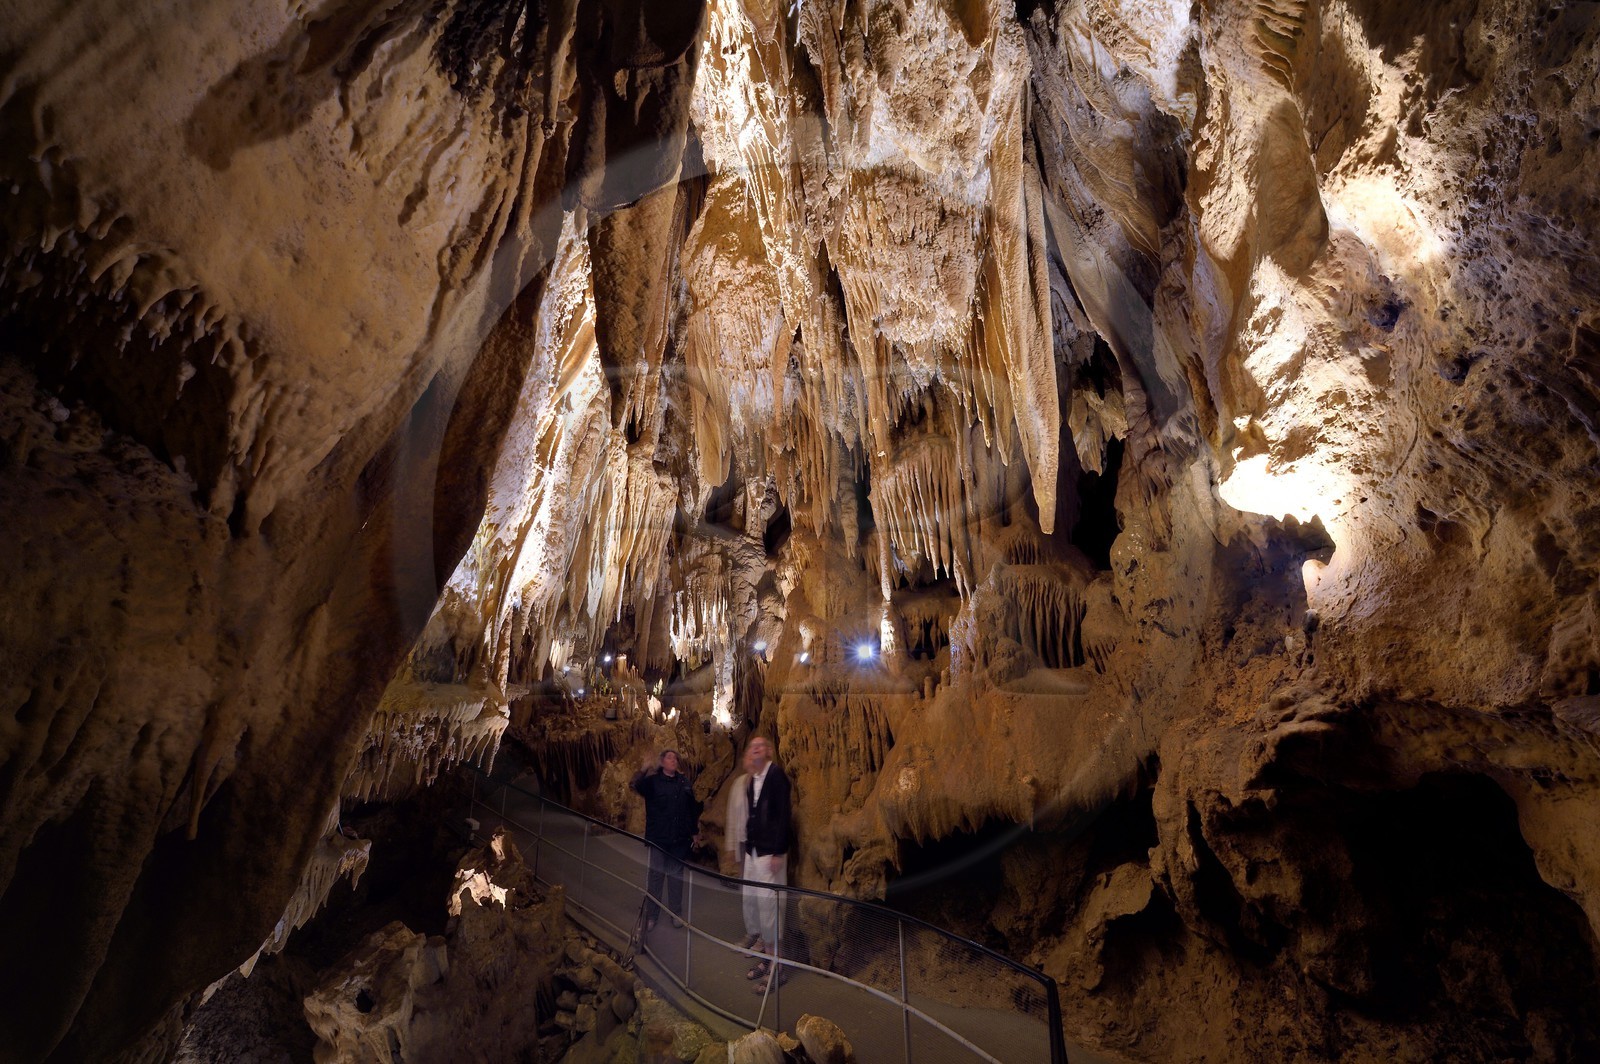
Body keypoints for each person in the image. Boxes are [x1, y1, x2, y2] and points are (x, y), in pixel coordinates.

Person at [739, 736, 791, 993]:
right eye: (752, 746)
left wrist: (779, 851)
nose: (755, 748)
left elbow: (783, 815)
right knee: (757, 904)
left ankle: (777, 967)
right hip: (754, 851)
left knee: (770, 907)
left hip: (770, 853)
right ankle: (767, 958)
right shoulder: (752, 781)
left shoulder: (777, 776)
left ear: (768, 751)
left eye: (760, 745)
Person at [631, 749, 701, 933]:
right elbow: (635, 785)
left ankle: (675, 914)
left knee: (676, 878)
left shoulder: (684, 782)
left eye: (675, 758)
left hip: (678, 840)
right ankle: (651, 916)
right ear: (662, 761)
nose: (674, 760)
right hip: (658, 840)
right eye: (670, 757)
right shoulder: (652, 782)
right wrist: (644, 768)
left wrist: (694, 833)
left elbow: (691, 810)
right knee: (655, 878)